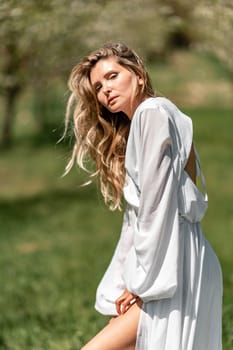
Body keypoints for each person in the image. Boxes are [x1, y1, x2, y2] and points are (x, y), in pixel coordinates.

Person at [64, 42, 222, 350]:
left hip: (173, 267)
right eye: (98, 85)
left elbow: (155, 208)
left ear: (138, 74)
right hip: (181, 259)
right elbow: (139, 217)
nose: (105, 89)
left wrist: (141, 284)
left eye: (112, 76)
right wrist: (125, 281)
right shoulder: (158, 114)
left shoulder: (151, 112)